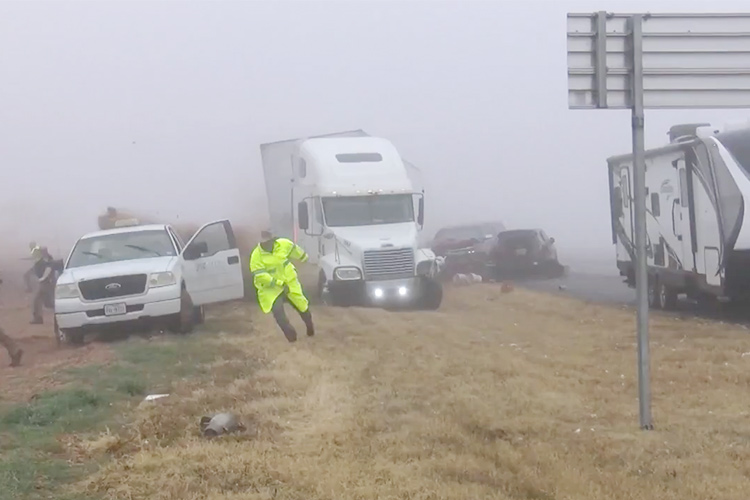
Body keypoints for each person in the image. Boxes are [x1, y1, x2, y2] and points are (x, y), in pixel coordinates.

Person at [249, 230, 315, 342]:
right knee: (278, 312)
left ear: (273, 240)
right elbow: (260, 276)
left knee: (301, 304)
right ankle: (291, 336)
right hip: (271, 288)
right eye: (264, 243)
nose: (267, 245)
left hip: (289, 280)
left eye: (269, 242)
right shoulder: (256, 256)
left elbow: (295, 250)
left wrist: (304, 258)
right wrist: (279, 283)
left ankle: (309, 326)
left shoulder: (284, 244)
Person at [30, 247, 55, 325]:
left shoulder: (48, 260)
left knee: (37, 300)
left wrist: (43, 278)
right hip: (46, 283)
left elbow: (49, 269)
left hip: (46, 283)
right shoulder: (43, 260)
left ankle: (38, 318)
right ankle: (38, 317)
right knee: (48, 303)